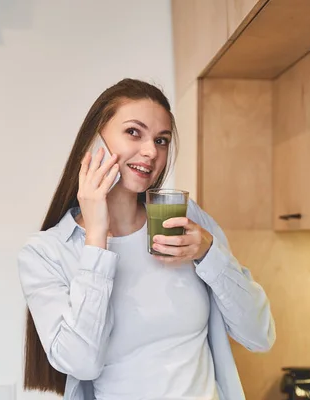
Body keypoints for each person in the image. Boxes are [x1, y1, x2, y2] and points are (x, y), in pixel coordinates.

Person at [17, 78, 275, 400]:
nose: (151, 151)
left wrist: (209, 253)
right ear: (95, 141)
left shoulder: (185, 220)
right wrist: (97, 238)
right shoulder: (46, 253)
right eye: (134, 132)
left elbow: (259, 335)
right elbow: (81, 363)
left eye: (162, 140)